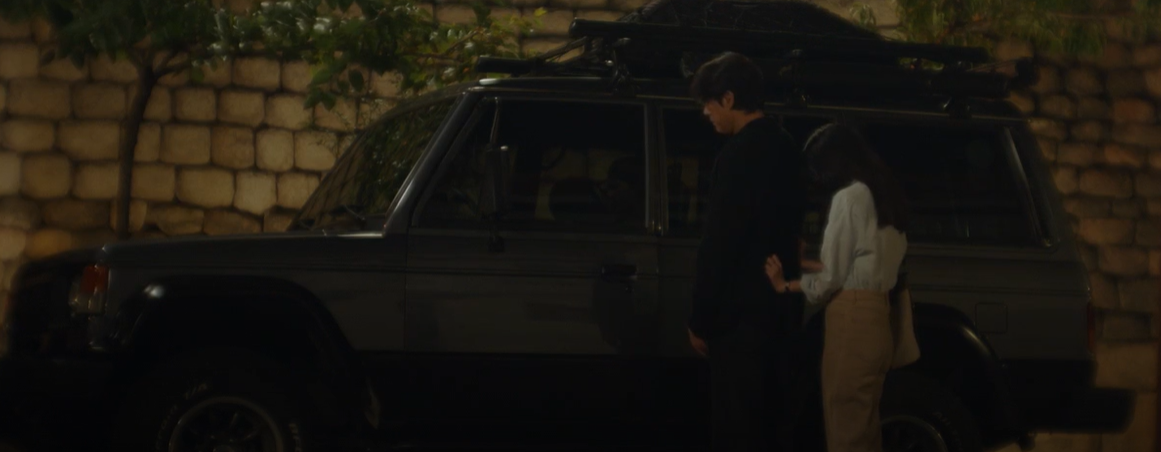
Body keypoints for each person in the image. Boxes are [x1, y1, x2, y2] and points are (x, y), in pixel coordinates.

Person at [685, 51, 808, 452]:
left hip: (739, 322)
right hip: (781, 313)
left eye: (708, 103)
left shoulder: (737, 155)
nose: (705, 113)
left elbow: (720, 242)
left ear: (729, 98)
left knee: (736, 427)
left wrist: (700, 319)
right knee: (773, 426)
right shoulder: (787, 146)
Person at [764, 123, 910, 452]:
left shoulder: (849, 198)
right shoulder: (886, 196)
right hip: (879, 321)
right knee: (866, 430)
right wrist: (806, 264)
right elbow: (860, 267)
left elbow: (830, 281)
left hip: (852, 322)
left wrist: (785, 285)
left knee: (845, 431)